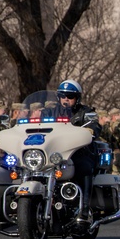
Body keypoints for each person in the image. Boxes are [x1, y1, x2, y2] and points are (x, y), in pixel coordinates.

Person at [48, 79, 101, 223]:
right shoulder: (50, 112)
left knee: (84, 168)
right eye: (63, 96)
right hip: (53, 155)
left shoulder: (86, 112)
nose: (66, 99)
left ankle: (84, 209)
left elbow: (95, 127)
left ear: (77, 98)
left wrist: (90, 130)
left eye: (70, 96)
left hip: (79, 153)